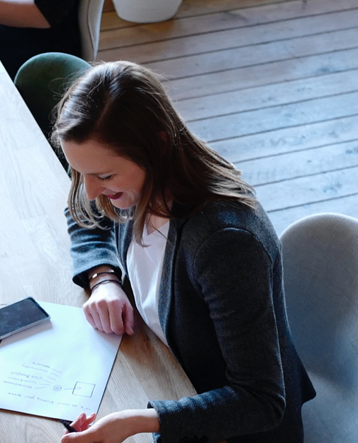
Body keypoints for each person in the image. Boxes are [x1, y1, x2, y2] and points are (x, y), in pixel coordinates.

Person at [51, 62, 315, 443]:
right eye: (81, 173)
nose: (91, 190)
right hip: (165, 371)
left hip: (230, 428)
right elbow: (84, 212)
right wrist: (103, 278)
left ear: (157, 145)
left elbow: (261, 401)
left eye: (104, 176)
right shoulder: (139, 181)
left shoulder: (224, 243)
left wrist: (138, 422)